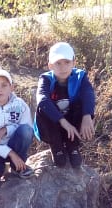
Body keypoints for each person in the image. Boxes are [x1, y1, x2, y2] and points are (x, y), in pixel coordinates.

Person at [35, 41, 96, 170]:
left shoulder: (80, 76)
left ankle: (72, 145)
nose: (63, 67)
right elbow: (42, 99)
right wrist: (63, 122)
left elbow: (88, 94)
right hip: (53, 127)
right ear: (50, 65)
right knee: (43, 108)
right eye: (58, 63)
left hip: (72, 124)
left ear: (74, 63)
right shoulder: (45, 79)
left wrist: (87, 116)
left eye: (67, 62)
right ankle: (56, 147)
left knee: (82, 104)